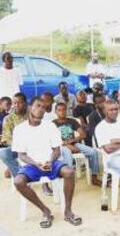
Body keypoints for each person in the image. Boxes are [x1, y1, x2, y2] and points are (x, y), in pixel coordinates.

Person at [12, 97, 82, 228]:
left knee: (69, 171)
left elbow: (57, 150)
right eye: (38, 106)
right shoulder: (20, 129)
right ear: (30, 107)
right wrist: (36, 164)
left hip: (51, 162)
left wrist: (50, 161)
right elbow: (21, 154)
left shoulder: (50, 126)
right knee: (18, 181)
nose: (41, 110)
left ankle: (68, 211)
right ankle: (45, 210)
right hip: (31, 165)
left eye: (44, 107)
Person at [53, 102, 101, 186]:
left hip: (74, 143)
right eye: (59, 110)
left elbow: (83, 134)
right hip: (60, 146)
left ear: (67, 111)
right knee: (67, 153)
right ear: (55, 112)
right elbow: (52, 139)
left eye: (64, 110)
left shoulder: (72, 121)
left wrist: (72, 141)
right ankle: (69, 179)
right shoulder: (52, 124)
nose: (62, 112)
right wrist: (67, 145)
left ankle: (94, 177)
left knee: (93, 152)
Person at [0, 93, 29, 178]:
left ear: (25, 103)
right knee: (3, 153)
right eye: (14, 103)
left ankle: (44, 181)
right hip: (17, 148)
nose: (16, 105)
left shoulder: (33, 115)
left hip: (33, 146)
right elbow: (7, 138)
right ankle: (21, 176)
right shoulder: (8, 118)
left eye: (19, 102)